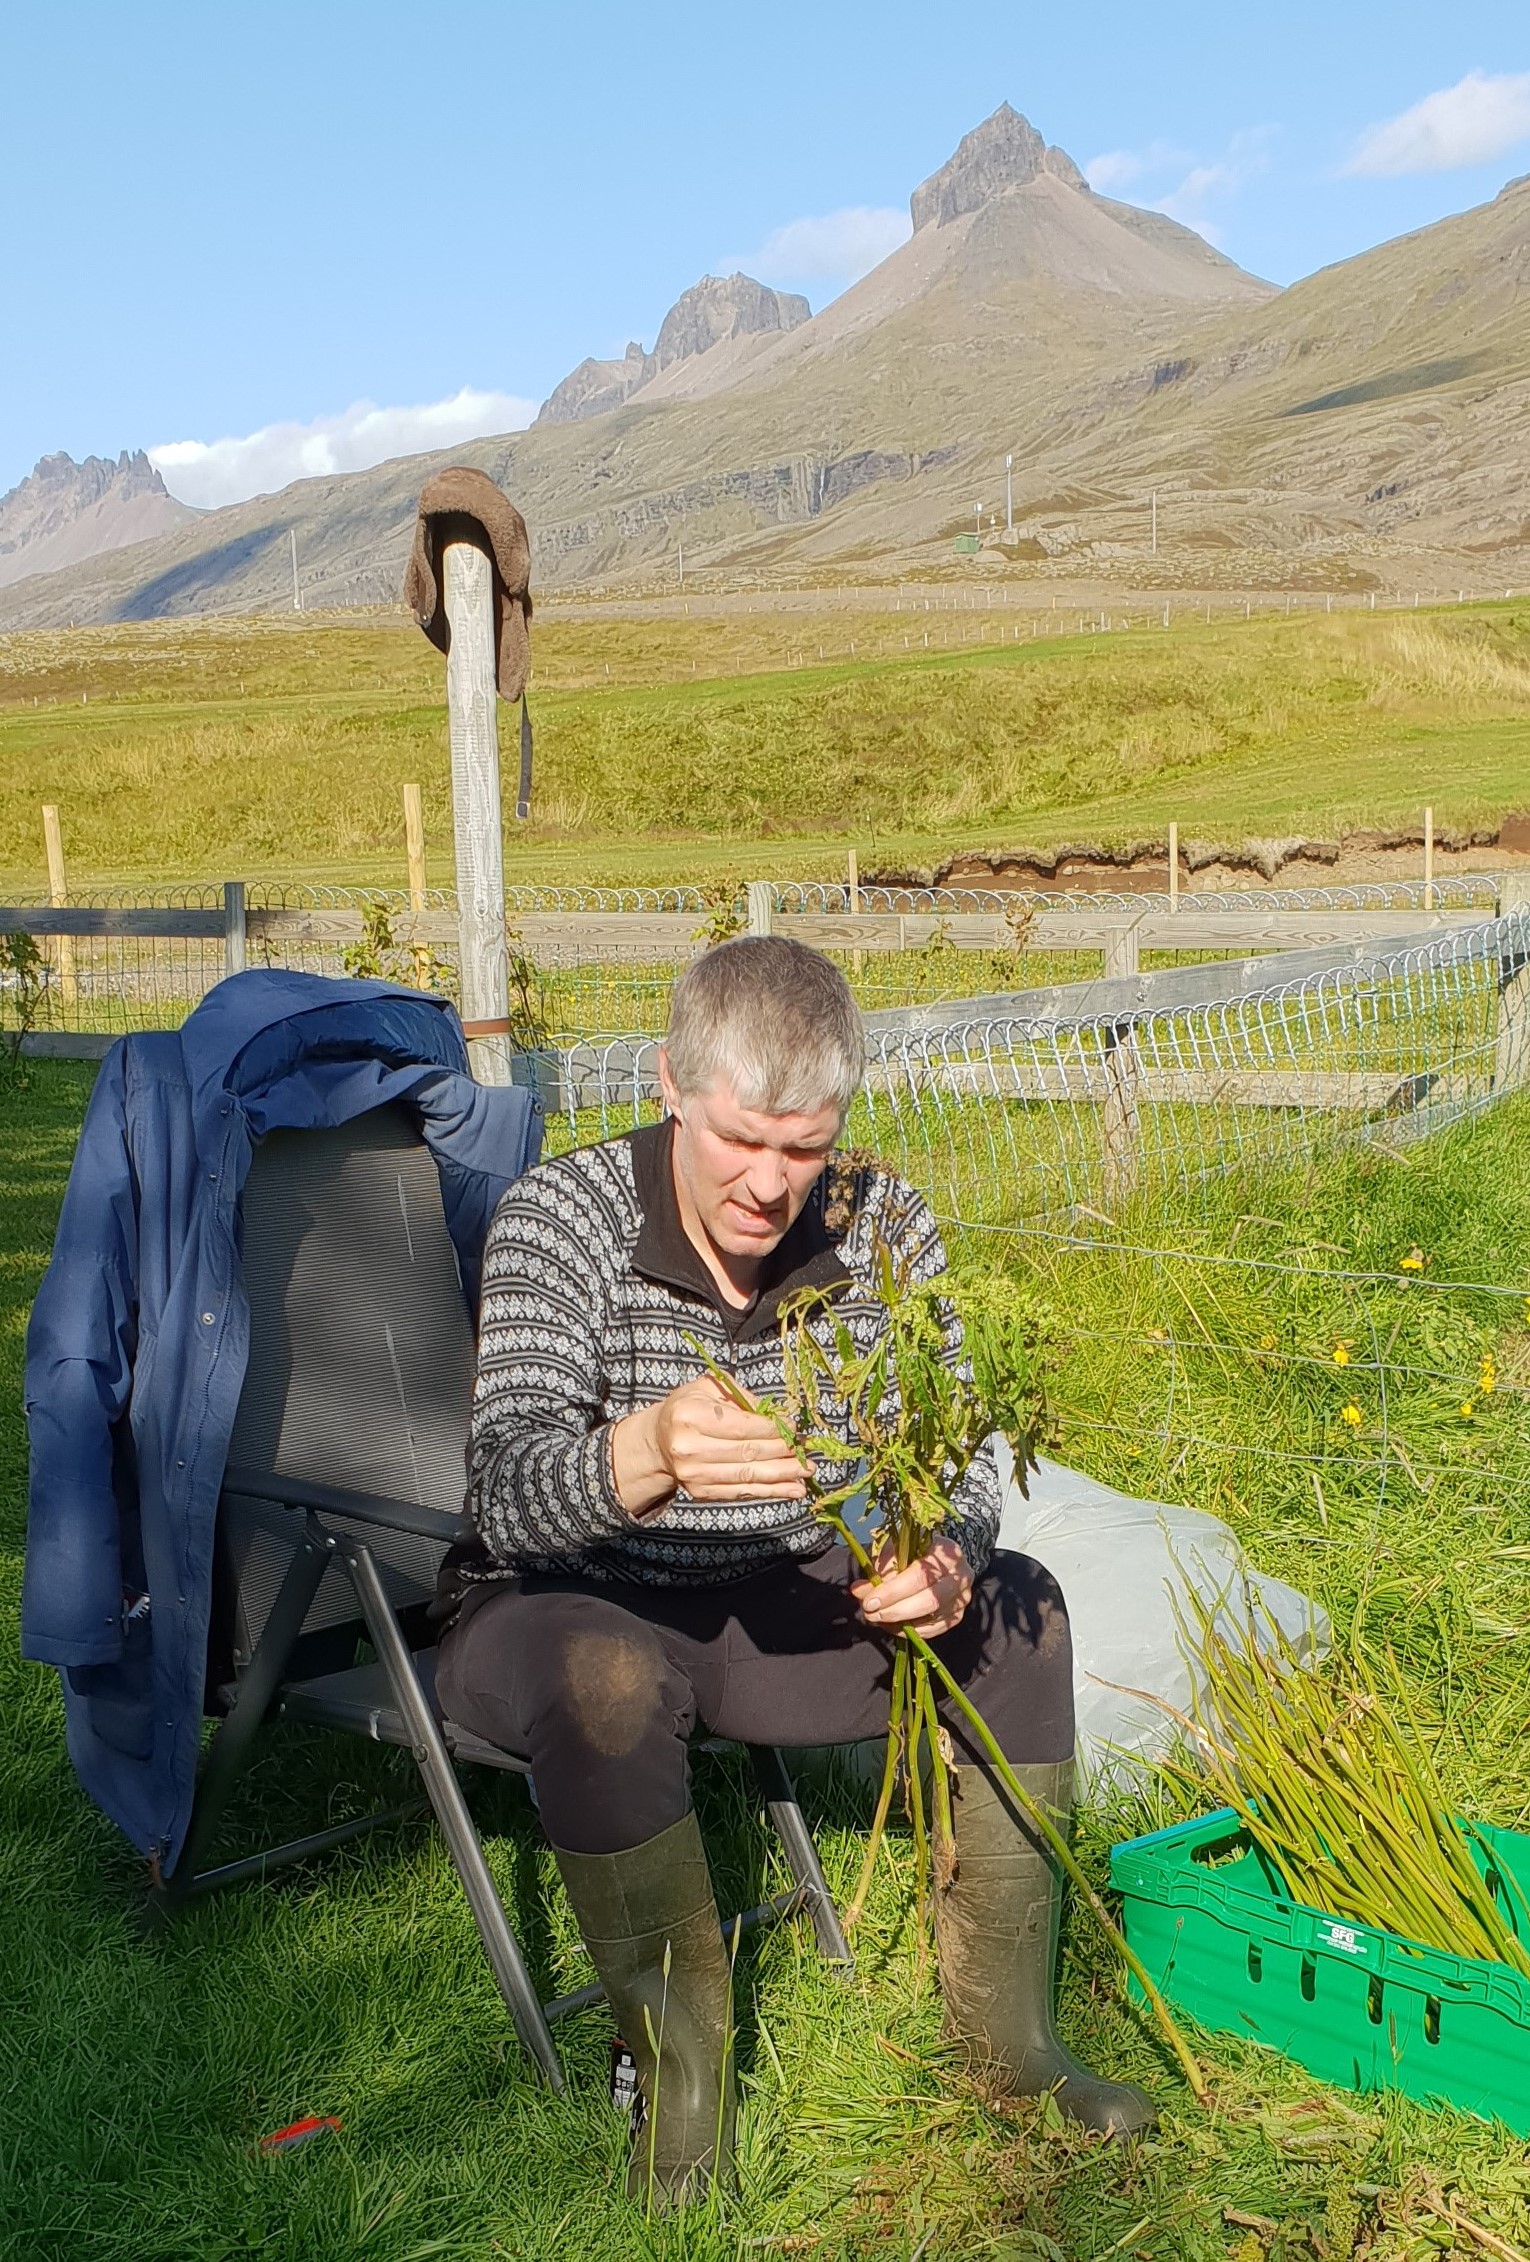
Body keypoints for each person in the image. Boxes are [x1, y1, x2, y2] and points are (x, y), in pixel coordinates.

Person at [435, 937, 1152, 2199]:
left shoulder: (883, 1221)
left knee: (1025, 1612)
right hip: (564, 1606)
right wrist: (642, 1452)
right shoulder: (562, 1216)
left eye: (805, 1148)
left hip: (781, 1599)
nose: (771, 1185)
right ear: (669, 1083)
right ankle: (681, 2103)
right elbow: (502, 1493)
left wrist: (948, 1553)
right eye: (741, 1140)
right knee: (604, 1669)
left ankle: (1011, 2044)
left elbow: (963, 1442)